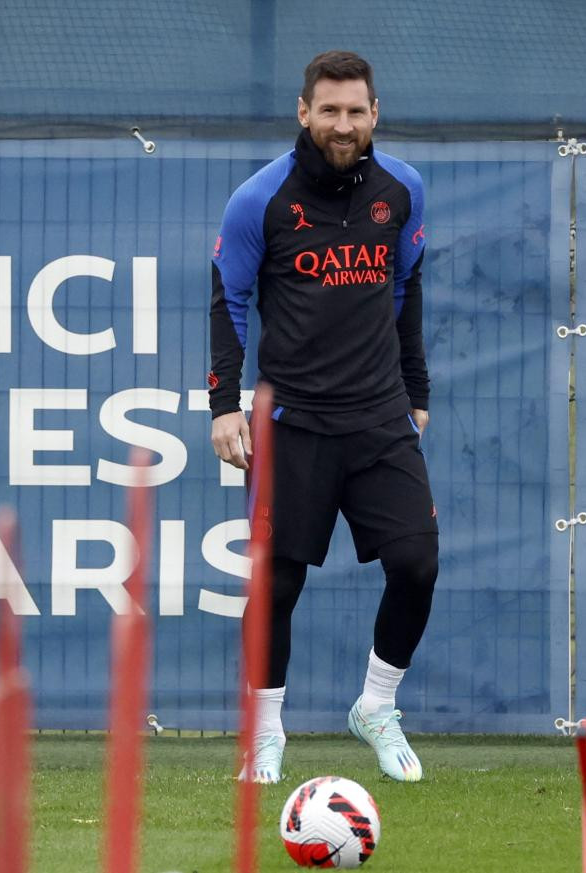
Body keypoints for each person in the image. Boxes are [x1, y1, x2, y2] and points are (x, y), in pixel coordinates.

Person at [208, 50, 438, 784]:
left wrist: (416, 390)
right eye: (330, 110)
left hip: (378, 418)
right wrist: (224, 406)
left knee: (417, 563)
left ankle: (375, 706)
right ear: (303, 112)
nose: (344, 124)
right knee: (276, 585)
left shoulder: (403, 189)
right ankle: (266, 730)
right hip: (291, 422)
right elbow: (229, 299)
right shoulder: (260, 200)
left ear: (376, 114)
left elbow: (406, 288)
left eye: (357, 111)